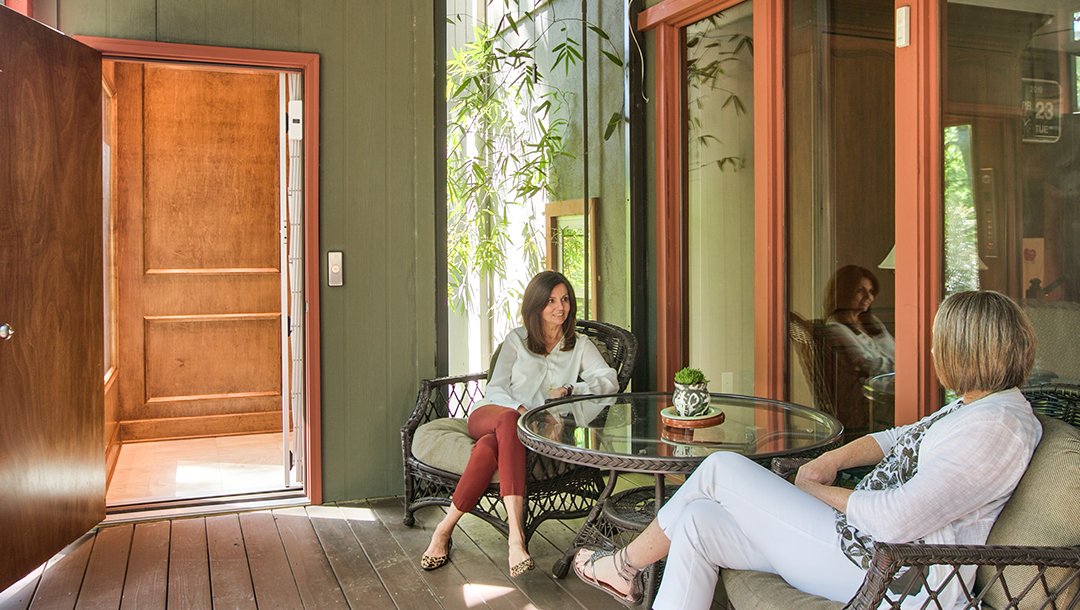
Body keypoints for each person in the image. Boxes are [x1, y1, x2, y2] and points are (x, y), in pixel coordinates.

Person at [574, 290, 1041, 609]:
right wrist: (831, 460)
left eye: (941, 345)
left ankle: (624, 565)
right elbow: (897, 437)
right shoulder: (974, 408)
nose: (935, 355)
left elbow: (895, 519)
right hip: (858, 543)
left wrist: (814, 491)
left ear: (967, 351)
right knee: (698, 522)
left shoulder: (996, 427)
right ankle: (624, 568)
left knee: (719, 468)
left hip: (890, 572)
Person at [421, 270, 619, 577]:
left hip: (523, 434)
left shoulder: (578, 344)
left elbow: (609, 381)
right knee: (510, 421)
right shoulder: (517, 339)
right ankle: (517, 536)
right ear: (536, 306)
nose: (560, 307)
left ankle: (443, 530)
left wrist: (572, 390)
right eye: (551, 300)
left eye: (565, 299)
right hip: (491, 414)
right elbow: (496, 388)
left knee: (488, 450)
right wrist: (524, 409)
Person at [821, 265, 896, 435]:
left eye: (871, 291)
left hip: (889, 384)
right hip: (867, 400)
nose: (868, 297)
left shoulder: (871, 322)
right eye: (860, 291)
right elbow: (866, 364)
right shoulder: (835, 328)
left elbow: (894, 349)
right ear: (843, 292)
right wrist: (904, 367)